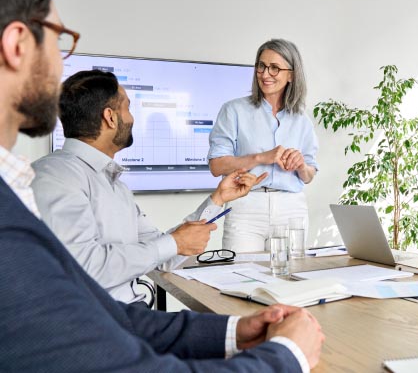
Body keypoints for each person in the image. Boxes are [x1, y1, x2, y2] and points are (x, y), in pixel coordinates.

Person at [0, 0, 324, 371]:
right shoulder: (50, 180)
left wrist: (216, 203)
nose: (62, 61)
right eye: (60, 40)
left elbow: (151, 265)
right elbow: (101, 274)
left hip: (141, 315)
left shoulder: (109, 182)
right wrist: (287, 356)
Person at [31, 70, 268, 304]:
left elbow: (164, 255)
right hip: (100, 324)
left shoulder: (114, 186)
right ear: (110, 117)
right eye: (127, 108)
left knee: (238, 328)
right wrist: (174, 242)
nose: (132, 119)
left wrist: (217, 200)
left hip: (130, 315)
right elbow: (85, 268)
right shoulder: (56, 176)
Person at [208, 39, 319, 252]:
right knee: (241, 280)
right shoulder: (234, 110)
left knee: (290, 280)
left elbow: (309, 175)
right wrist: (260, 158)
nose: (265, 74)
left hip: (291, 209)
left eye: (275, 68)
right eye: (261, 66)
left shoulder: (302, 119)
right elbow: (216, 166)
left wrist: (301, 166)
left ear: (291, 75)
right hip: (247, 206)